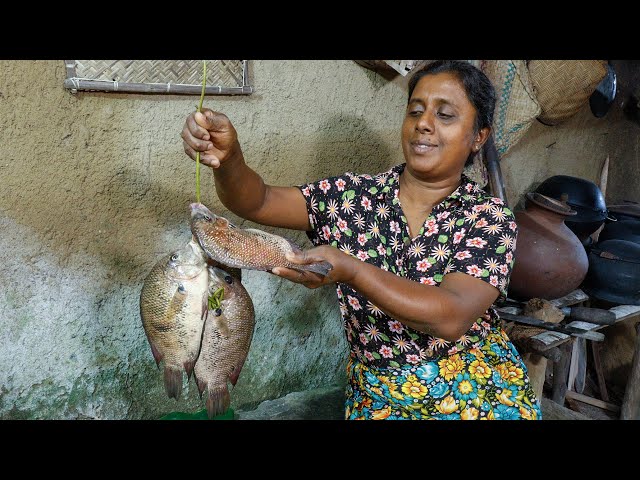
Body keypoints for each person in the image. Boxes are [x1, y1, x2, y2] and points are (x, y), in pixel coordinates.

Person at [181, 60, 542, 420]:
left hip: (473, 387)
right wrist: (228, 159)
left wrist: (353, 271)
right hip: (379, 394)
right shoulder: (352, 196)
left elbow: (450, 317)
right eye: (415, 111)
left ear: (479, 136)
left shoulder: (488, 217)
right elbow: (256, 201)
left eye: (445, 116)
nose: (423, 124)